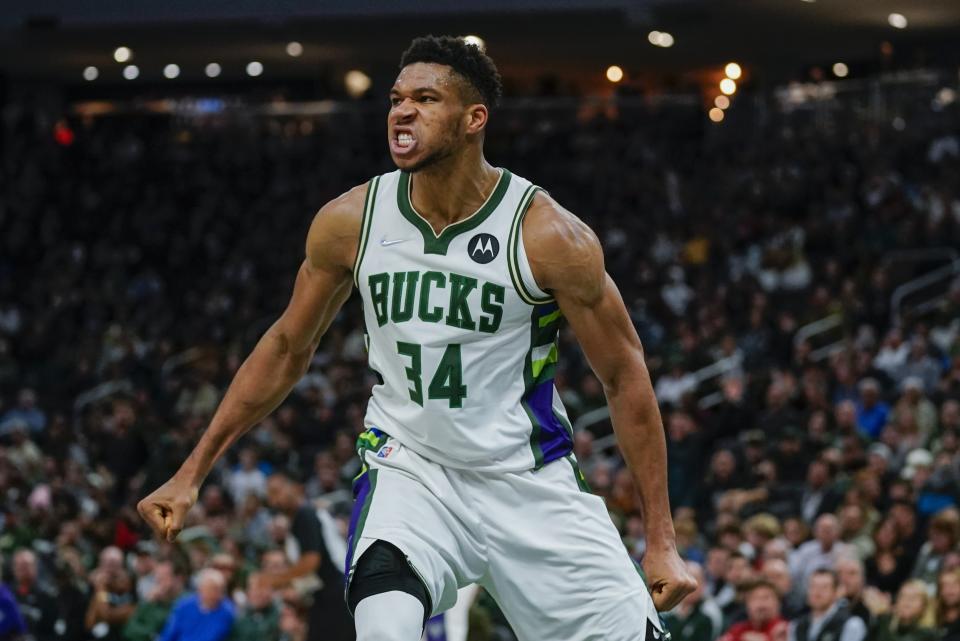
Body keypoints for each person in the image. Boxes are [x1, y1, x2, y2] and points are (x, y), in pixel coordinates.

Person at [137, 34, 694, 641]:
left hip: (528, 479)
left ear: (474, 118)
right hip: (412, 471)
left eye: (426, 99)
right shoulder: (351, 221)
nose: (402, 111)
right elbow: (285, 348)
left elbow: (624, 374)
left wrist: (661, 540)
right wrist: (191, 473)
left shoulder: (549, 236)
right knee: (384, 630)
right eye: (397, 99)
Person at [264, 473, 352, 641]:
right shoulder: (303, 515)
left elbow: (311, 561)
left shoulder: (304, 513)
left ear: (294, 488)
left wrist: (276, 579)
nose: (275, 499)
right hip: (328, 592)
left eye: (277, 491)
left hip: (336, 591)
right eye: (270, 495)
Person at [788, 569, 866, 641]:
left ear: (836, 592)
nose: (817, 592)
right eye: (813, 586)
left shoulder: (851, 624)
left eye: (824, 587)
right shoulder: (796, 626)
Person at [157, 569, 235, 641]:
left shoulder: (227, 611)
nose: (215, 594)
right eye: (210, 589)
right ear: (200, 589)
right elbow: (169, 634)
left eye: (219, 590)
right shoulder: (184, 605)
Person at [123, 561, 185, 641]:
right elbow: (129, 630)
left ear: (178, 578)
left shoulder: (186, 603)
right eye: (157, 579)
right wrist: (147, 602)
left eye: (163, 578)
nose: (159, 585)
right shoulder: (151, 601)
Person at [663, 561, 721, 641]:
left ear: (703, 584)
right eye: (684, 579)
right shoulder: (669, 610)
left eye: (693, 579)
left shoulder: (709, 611)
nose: (687, 586)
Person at [865, 579, 936, 641]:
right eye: (903, 596)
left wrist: (884, 613)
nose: (907, 601)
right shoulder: (885, 622)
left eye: (913, 597)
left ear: (924, 605)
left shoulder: (929, 635)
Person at [11, 548, 59, 641]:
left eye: (26, 565)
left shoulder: (47, 595)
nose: (22, 570)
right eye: (19, 566)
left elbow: (53, 630)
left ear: (35, 567)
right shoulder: (7, 594)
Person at [719, 580, 788, 641]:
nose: (761, 603)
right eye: (755, 598)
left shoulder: (786, 631)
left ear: (778, 603)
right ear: (747, 605)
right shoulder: (737, 630)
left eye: (766, 598)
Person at [230, 573, 280, 641]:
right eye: (255, 589)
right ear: (248, 592)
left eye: (263, 589)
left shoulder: (280, 615)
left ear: (271, 592)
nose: (259, 593)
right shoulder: (240, 616)